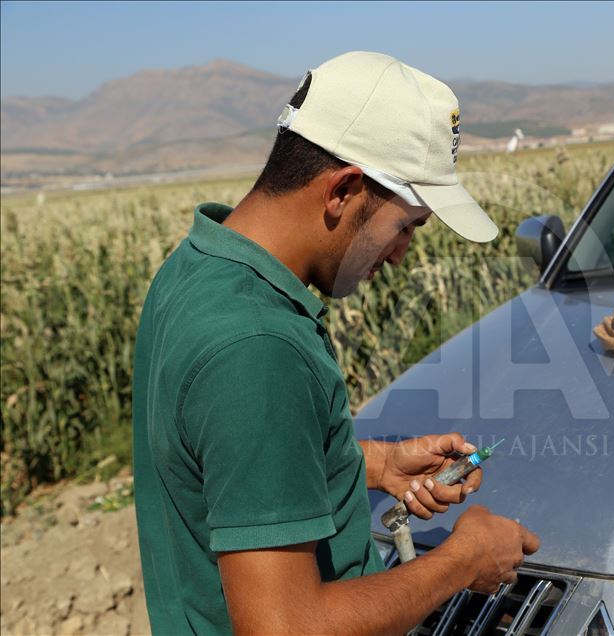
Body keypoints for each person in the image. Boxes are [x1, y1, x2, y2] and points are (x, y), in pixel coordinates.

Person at [132, 51, 539, 635]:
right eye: (405, 226)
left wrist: (376, 464)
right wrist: (461, 562)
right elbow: (285, 628)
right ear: (343, 190)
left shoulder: (199, 267)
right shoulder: (257, 347)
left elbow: (219, 464)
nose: (399, 256)